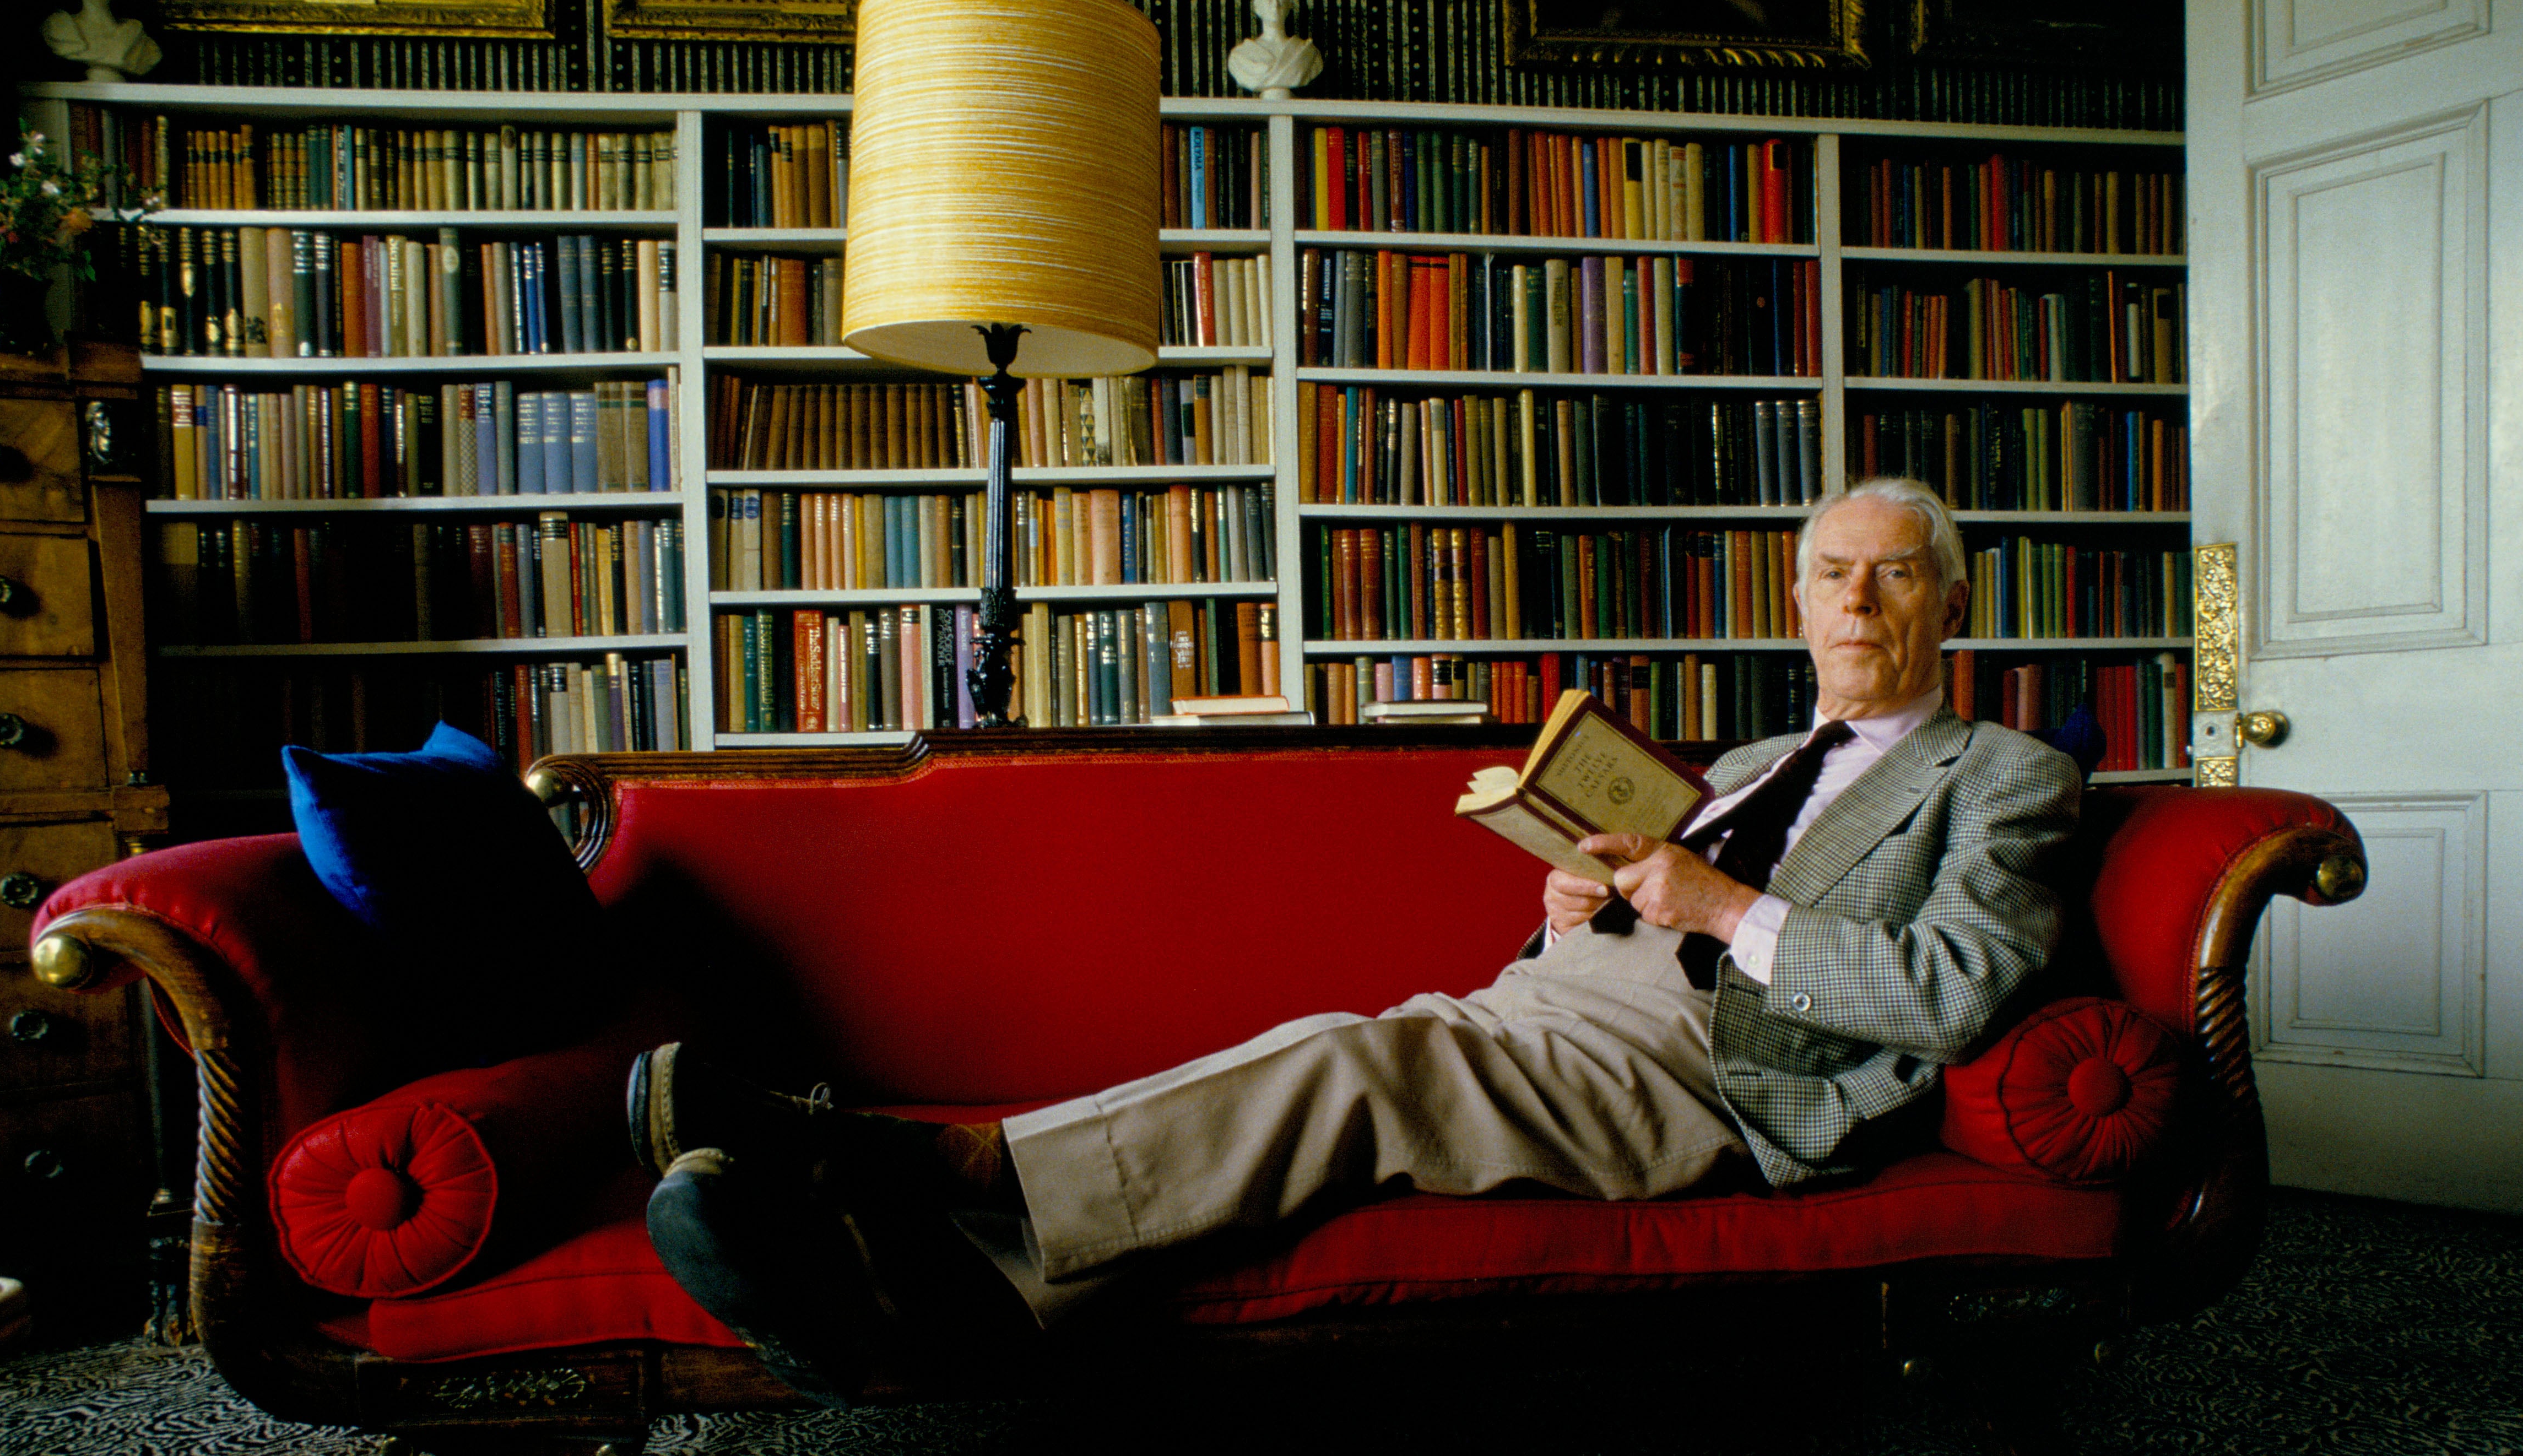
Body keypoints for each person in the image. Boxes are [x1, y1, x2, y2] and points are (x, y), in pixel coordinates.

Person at [633, 474, 2081, 1399]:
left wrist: (1709, 904)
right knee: (1329, 1094)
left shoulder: (2007, 777)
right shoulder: (1764, 748)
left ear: (1951, 597)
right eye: (1833, 570)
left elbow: (1956, 990)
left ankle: (918, 1156)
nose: (1859, 600)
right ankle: (966, 1306)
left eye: (1895, 573)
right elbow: (1660, 890)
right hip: (1568, 999)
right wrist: (1573, 897)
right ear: (1797, 596)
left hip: (1727, 1071)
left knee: (1357, 1067)